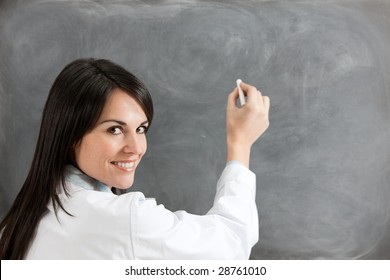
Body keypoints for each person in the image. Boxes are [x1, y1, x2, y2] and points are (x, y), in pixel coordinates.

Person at [0, 58, 270, 259]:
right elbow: (231, 244)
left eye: (141, 129)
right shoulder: (123, 220)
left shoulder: (18, 224)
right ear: (71, 135)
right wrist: (240, 143)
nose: (135, 147)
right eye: (114, 129)